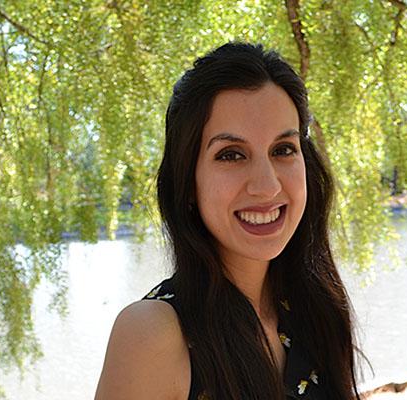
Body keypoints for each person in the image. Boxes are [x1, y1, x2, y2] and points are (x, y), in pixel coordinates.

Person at [95, 42, 362, 400]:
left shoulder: (314, 310)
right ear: (188, 181)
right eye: (231, 155)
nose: (267, 186)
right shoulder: (152, 335)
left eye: (283, 149)